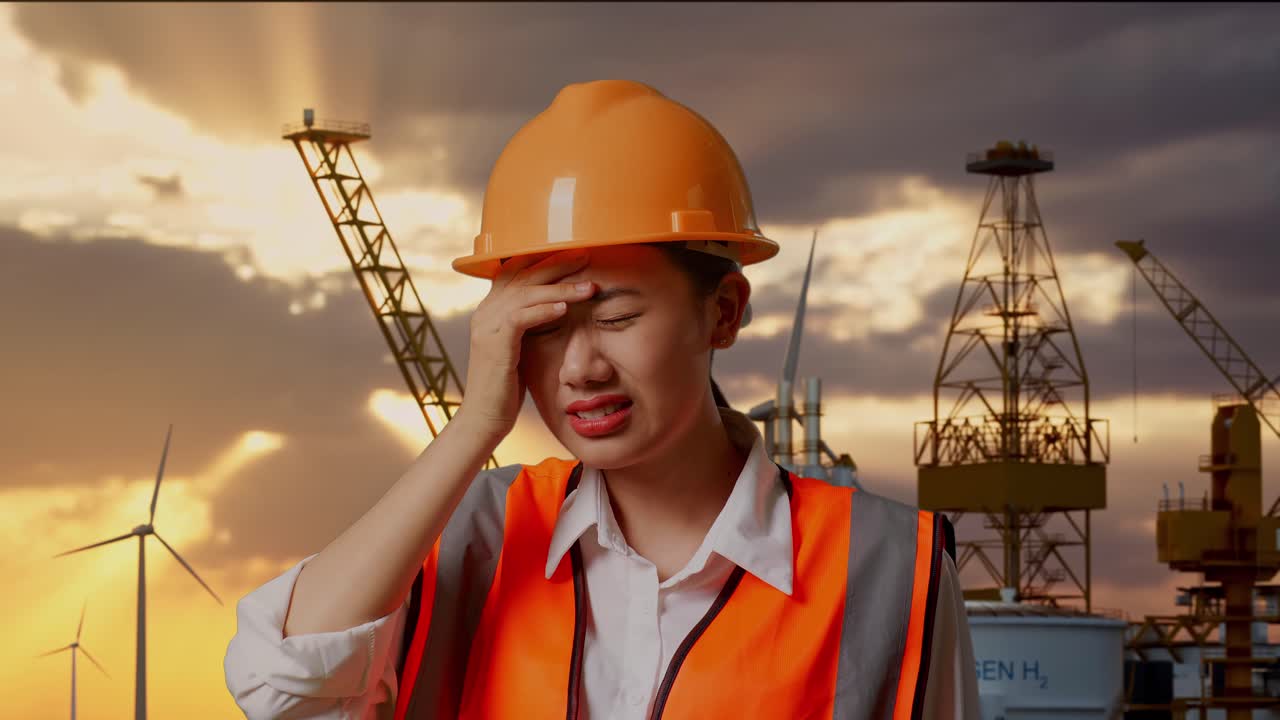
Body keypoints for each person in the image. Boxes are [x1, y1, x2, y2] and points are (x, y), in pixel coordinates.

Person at [223, 79, 981, 720]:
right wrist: (473, 426)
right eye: (544, 328)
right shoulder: (470, 534)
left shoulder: (889, 568)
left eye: (617, 317)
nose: (580, 367)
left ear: (723, 313)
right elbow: (276, 684)